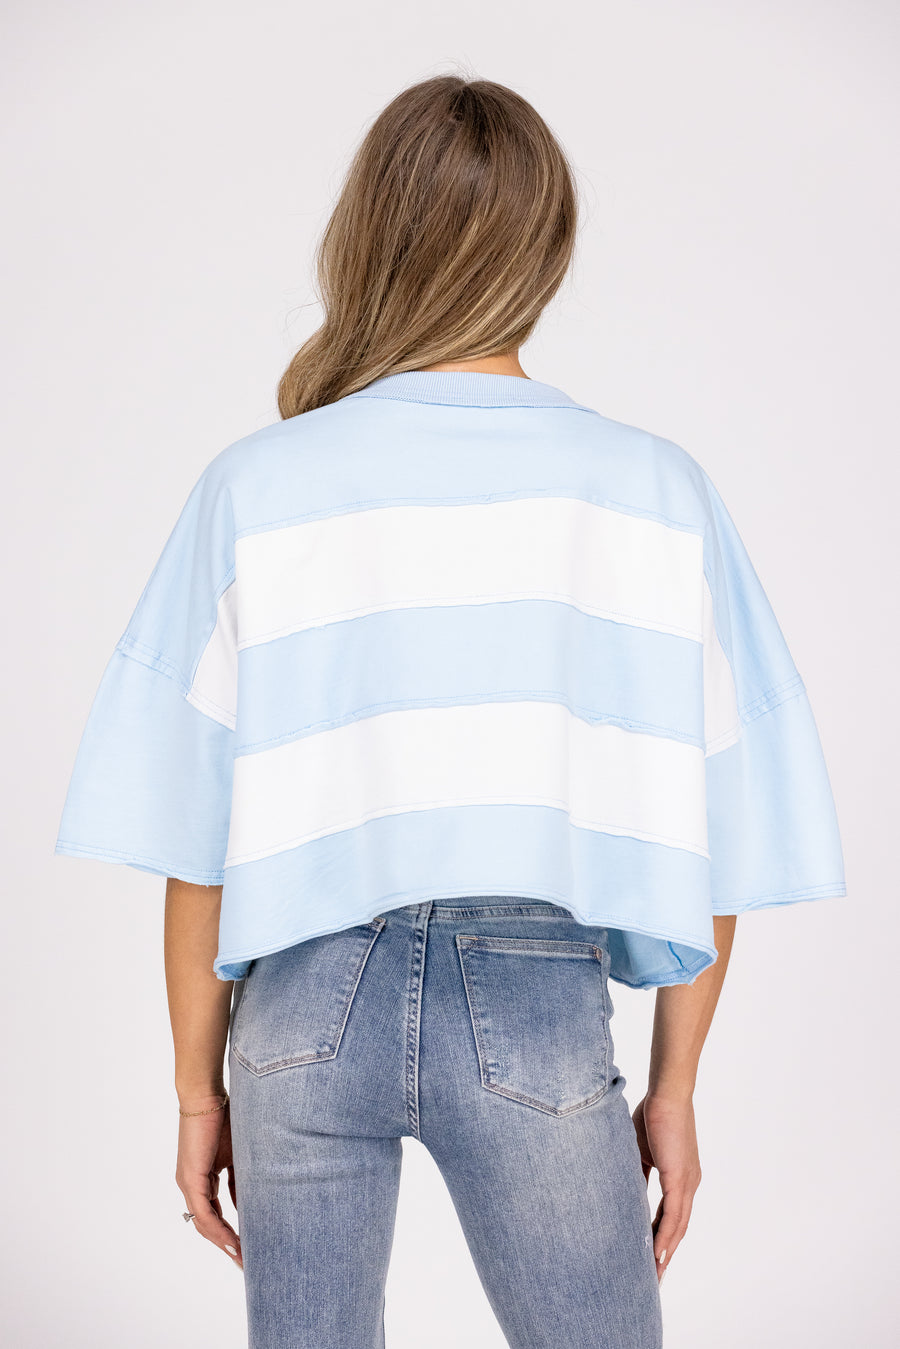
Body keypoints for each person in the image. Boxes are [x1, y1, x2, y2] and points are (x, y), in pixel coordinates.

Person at [54, 74, 846, 1349]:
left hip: (297, 1002)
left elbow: (194, 837)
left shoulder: (257, 484)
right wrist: (675, 1085)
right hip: (535, 1007)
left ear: (367, 234)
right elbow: (721, 823)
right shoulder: (653, 489)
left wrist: (197, 1092)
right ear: (549, 245)